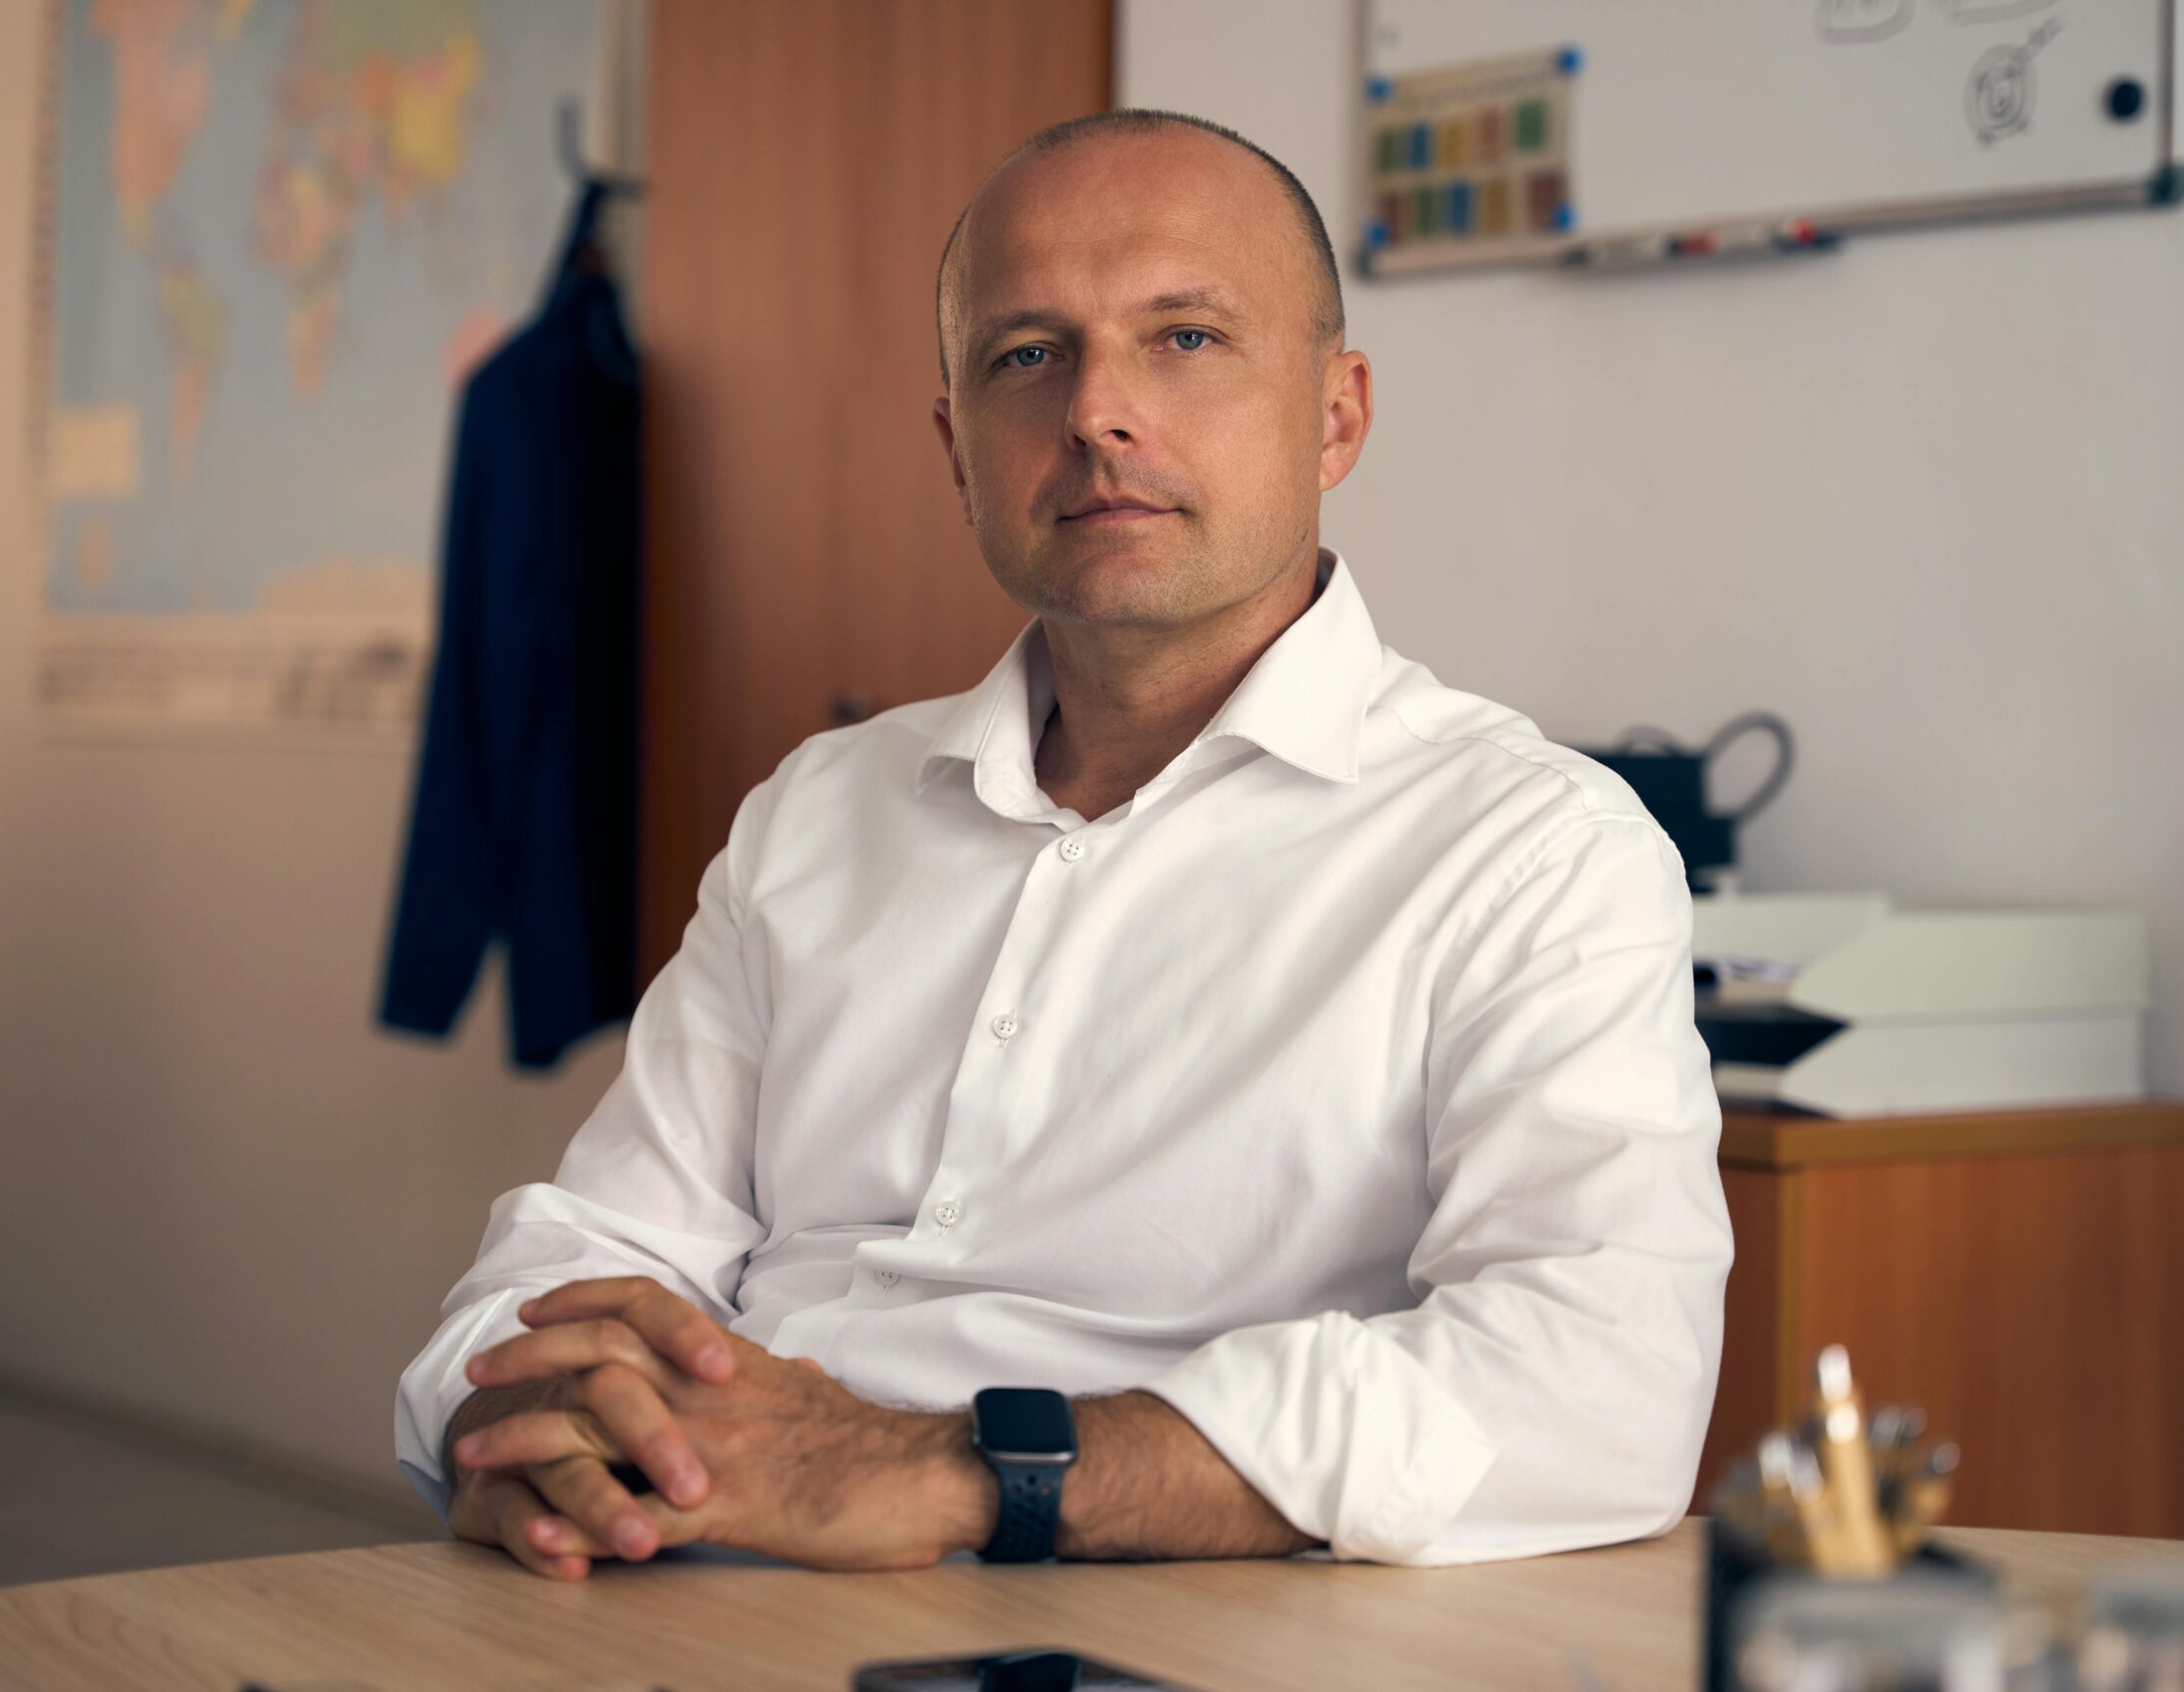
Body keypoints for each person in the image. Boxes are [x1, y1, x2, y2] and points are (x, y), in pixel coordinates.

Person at [396, 109, 1732, 1579]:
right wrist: (530, 1425)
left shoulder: (1535, 854)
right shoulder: (819, 814)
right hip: (682, 1580)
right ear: (955, 446)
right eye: (1026, 355)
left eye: (1186, 339)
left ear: (1338, 415)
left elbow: (1596, 1387)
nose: (1098, 411)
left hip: (1144, 1630)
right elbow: (589, 1254)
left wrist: (957, 1477)